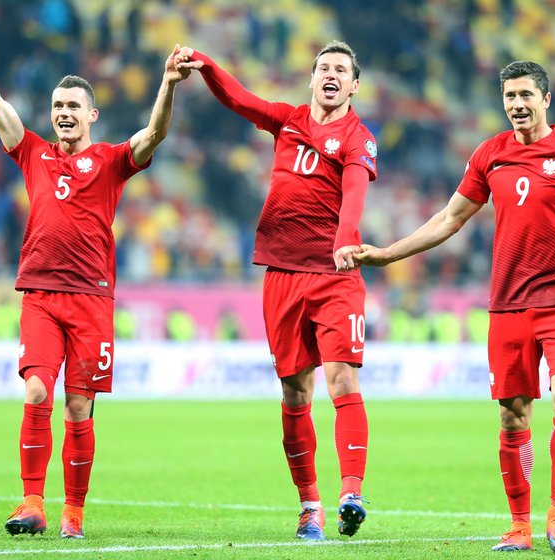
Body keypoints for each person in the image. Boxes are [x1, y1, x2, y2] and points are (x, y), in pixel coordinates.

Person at [0, 4, 189, 539]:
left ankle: (74, 511)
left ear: (92, 115)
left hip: (92, 298)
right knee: (36, 393)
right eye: (57, 106)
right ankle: (32, 503)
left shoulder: (112, 161)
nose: (64, 112)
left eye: (73, 105)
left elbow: (154, 134)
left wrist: (167, 84)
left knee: (77, 407)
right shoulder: (33, 153)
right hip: (41, 295)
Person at [354, 60, 555, 554]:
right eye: (509, 96)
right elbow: (449, 219)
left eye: (525, 95)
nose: (517, 104)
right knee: (512, 417)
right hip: (508, 305)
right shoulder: (490, 154)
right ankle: (519, 527)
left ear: (546, 99)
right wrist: (388, 254)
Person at [176, 40, 378, 540]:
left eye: (341, 70)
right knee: (294, 392)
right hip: (282, 275)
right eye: (324, 68)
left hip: (334, 275)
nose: (331, 75)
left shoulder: (358, 138)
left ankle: (351, 492)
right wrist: (206, 65)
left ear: (354, 86)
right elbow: (241, 100)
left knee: (342, 381)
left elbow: (355, 191)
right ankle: (310, 506)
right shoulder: (288, 121)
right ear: (312, 79)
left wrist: (346, 238)